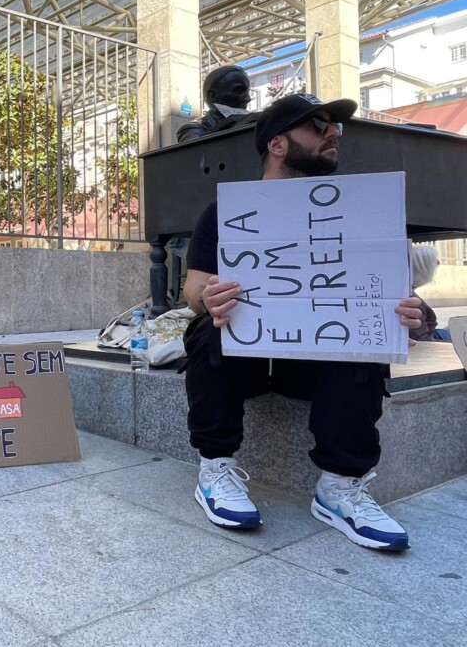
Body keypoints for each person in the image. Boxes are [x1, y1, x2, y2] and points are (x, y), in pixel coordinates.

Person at [182, 93, 423, 551]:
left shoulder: (359, 211)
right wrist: (207, 296)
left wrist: (411, 314)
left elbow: (387, 292)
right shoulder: (224, 212)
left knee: (365, 338)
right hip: (247, 358)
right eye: (317, 125)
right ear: (277, 143)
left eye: (336, 127)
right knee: (206, 330)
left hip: (313, 361)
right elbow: (191, 289)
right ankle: (215, 466)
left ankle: (339, 486)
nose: (333, 133)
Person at [177, 65, 255, 143]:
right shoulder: (194, 129)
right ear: (212, 95)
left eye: (247, 91)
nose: (248, 98)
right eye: (239, 90)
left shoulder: (253, 125)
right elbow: (196, 153)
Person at [409, 244, 451, 342]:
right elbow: (422, 342)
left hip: (434, 334)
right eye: (435, 263)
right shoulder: (412, 301)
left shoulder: (406, 292)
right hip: (432, 341)